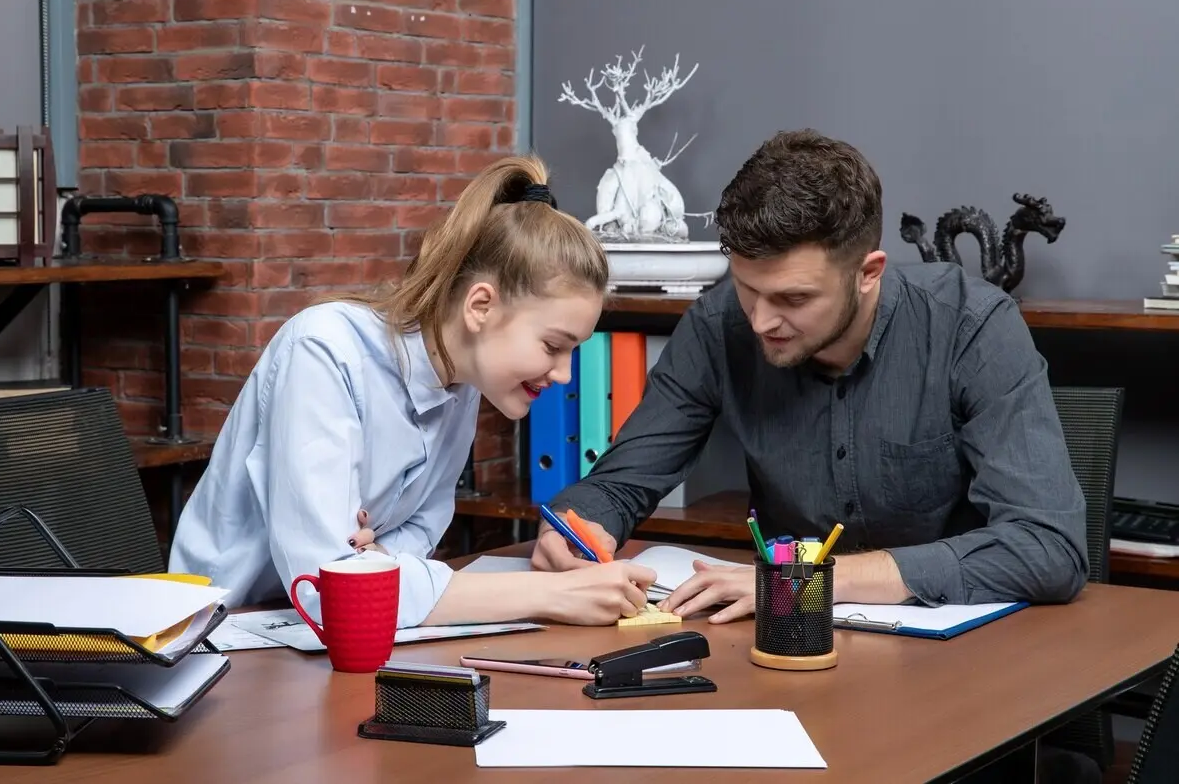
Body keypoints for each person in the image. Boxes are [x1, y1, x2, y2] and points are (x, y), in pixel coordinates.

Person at [532, 129, 1088, 624]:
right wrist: (583, 527)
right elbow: (623, 480)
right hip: (785, 645)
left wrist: (811, 583)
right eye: (747, 288)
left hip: (962, 655)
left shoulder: (971, 327)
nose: (759, 319)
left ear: (868, 273)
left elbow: (1048, 547)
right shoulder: (717, 324)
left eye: (793, 298)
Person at [169, 155, 657, 629]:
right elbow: (327, 591)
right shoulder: (324, 350)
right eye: (553, 346)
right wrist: (555, 595)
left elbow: (419, 531)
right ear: (480, 306)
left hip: (327, 640)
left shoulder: (463, 380)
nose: (564, 375)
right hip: (221, 636)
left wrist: (374, 562)